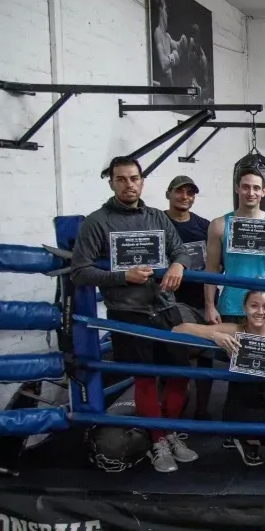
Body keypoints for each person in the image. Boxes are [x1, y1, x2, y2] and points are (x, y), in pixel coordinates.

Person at [72, 156, 195, 474]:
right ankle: (157, 442)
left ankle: (167, 433)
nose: (129, 184)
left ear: (142, 181)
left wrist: (178, 264)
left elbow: (181, 249)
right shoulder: (96, 222)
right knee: (144, 377)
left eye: (134, 178)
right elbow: (81, 271)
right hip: (127, 311)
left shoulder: (156, 216)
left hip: (165, 306)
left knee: (181, 372)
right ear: (111, 181)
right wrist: (121, 277)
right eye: (121, 179)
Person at [174, 290, 265, 466]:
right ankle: (247, 439)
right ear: (244, 308)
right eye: (254, 305)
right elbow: (178, 329)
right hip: (242, 406)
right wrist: (215, 336)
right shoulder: (233, 330)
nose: (260, 311)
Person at [205, 168, 265, 324]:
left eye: (256, 188)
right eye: (246, 187)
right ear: (237, 188)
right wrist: (210, 307)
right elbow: (211, 269)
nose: (251, 192)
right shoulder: (219, 224)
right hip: (231, 305)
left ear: (264, 192)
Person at [163, 174, 213, 421]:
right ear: (168, 194)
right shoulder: (158, 222)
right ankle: (176, 411)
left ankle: (202, 410)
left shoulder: (203, 225)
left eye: (190, 193)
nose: (185, 197)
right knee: (175, 357)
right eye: (180, 191)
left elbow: (216, 259)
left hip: (200, 297)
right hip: (169, 300)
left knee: (206, 354)